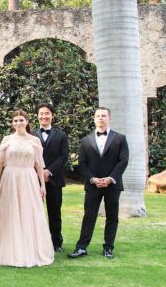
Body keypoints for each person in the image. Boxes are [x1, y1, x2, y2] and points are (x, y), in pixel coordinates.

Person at [0, 109, 54, 267]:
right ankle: (9, 251)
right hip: (10, 178)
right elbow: (0, 163)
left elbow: (39, 164)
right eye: (15, 121)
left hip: (28, 179)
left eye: (21, 120)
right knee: (10, 212)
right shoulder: (7, 139)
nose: (18, 123)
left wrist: (42, 185)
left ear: (27, 122)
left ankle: (31, 251)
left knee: (29, 212)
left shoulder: (34, 140)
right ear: (12, 123)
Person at [69, 107, 129, 259]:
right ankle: (81, 247)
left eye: (104, 116)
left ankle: (108, 248)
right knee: (89, 216)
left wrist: (110, 178)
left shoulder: (120, 138)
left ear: (109, 118)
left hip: (113, 185)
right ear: (94, 119)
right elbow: (82, 163)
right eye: (98, 116)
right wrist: (92, 179)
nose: (101, 118)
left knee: (112, 216)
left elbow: (123, 161)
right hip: (92, 185)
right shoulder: (85, 141)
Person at [36, 103, 69, 253]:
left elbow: (63, 157)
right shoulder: (31, 135)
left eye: (47, 113)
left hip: (54, 180)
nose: (44, 116)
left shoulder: (61, 135)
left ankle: (56, 243)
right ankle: (37, 241)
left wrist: (48, 171)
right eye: (41, 113)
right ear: (37, 116)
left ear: (52, 115)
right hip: (34, 180)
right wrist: (39, 172)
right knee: (35, 211)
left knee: (55, 212)